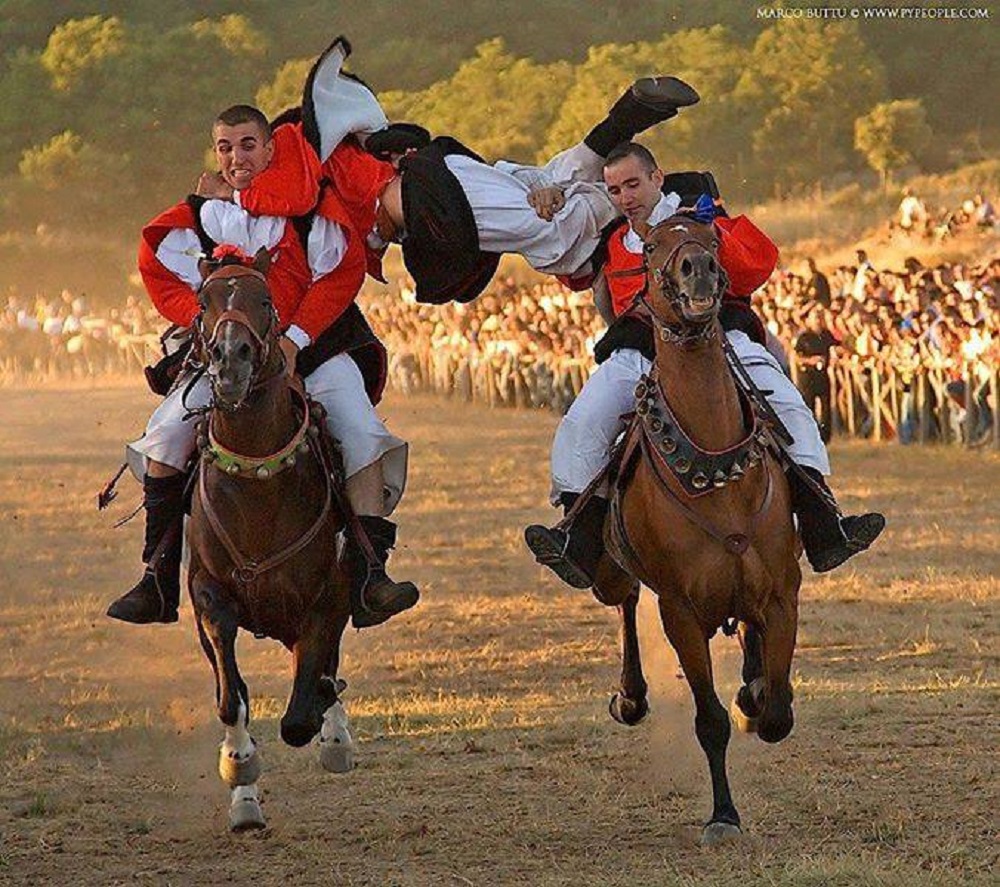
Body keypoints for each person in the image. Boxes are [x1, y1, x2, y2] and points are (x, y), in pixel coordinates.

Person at [106, 104, 418, 629]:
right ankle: (156, 579)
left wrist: (295, 340)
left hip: (313, 350)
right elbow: (158, 271)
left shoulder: (310, 208)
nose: (236, 157)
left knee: (363, 436)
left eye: (248, 145)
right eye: (225, 147)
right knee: (163, 437)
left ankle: (370, 575)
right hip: (228, 357)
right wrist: (204, 325)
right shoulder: (200, 217)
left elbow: (341, 275)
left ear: (271, 148)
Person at [524, 142, 885, 586]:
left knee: (786, 405)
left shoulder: (702, 218)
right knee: (583, 422)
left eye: (633, 185)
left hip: (721, 339)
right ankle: (578, 539)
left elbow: (757, 266)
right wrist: (553, 202)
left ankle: (823, 524)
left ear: (657, 178)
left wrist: (711, 231)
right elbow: (562, 261)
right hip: (638, 348)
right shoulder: (611, 241)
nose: (625, 198)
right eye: (614, 190)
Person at [299, 37, 700, 305]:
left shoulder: (310, 161)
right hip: (440, 181)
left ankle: (660, 197)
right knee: (545, 180)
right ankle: (628, 116)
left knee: (549, 227)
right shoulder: (329, 157)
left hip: (429, 201)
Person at [793, 304, 839, 442]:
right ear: (809, 320)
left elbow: (835, 347)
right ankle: (810, 435)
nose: (818, 320)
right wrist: (811, 360)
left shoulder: (826, 335)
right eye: (815, 318)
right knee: (809, 406)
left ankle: (825, 437)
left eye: (820, 317)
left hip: (822, 375)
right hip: (808, 377)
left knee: (826, 406)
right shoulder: (804, 337)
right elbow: (797, 357)